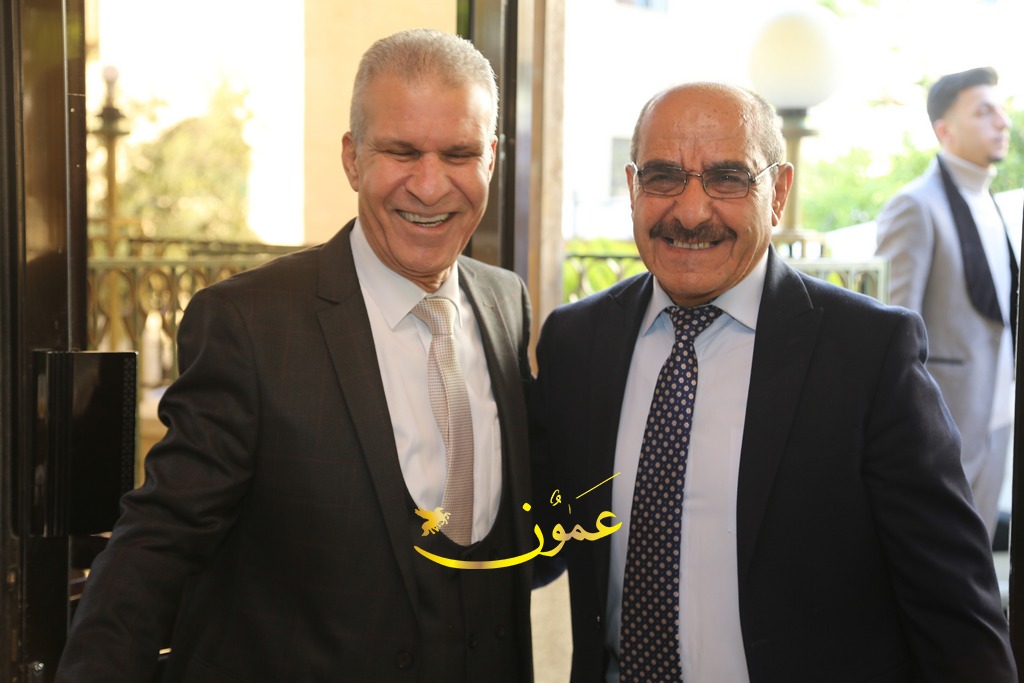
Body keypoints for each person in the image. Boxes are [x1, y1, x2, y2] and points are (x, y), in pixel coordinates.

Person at [57, 28, 535, 683]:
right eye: (401, 151)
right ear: (352, 159)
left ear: (493, 158)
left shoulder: (506, 302)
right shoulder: (250, 324)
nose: (430, 186)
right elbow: (160, 539)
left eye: (459, 153)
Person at [529, 81, 1015, 682]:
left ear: (779, 192)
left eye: (728, 178)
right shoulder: (576, 343)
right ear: (633, 187)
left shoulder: (867, 356)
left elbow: (955, 616)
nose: (691, 212)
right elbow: (533, 535)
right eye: (662, 177)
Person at [875, 66, 1017, 540]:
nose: (1002, 122)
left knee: (977, 556)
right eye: (984, 111)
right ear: (944, 130)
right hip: (943, 425)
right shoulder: (915, 205)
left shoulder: (989, 202)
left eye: (1001, 111)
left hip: (996, 418)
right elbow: (893, 334)